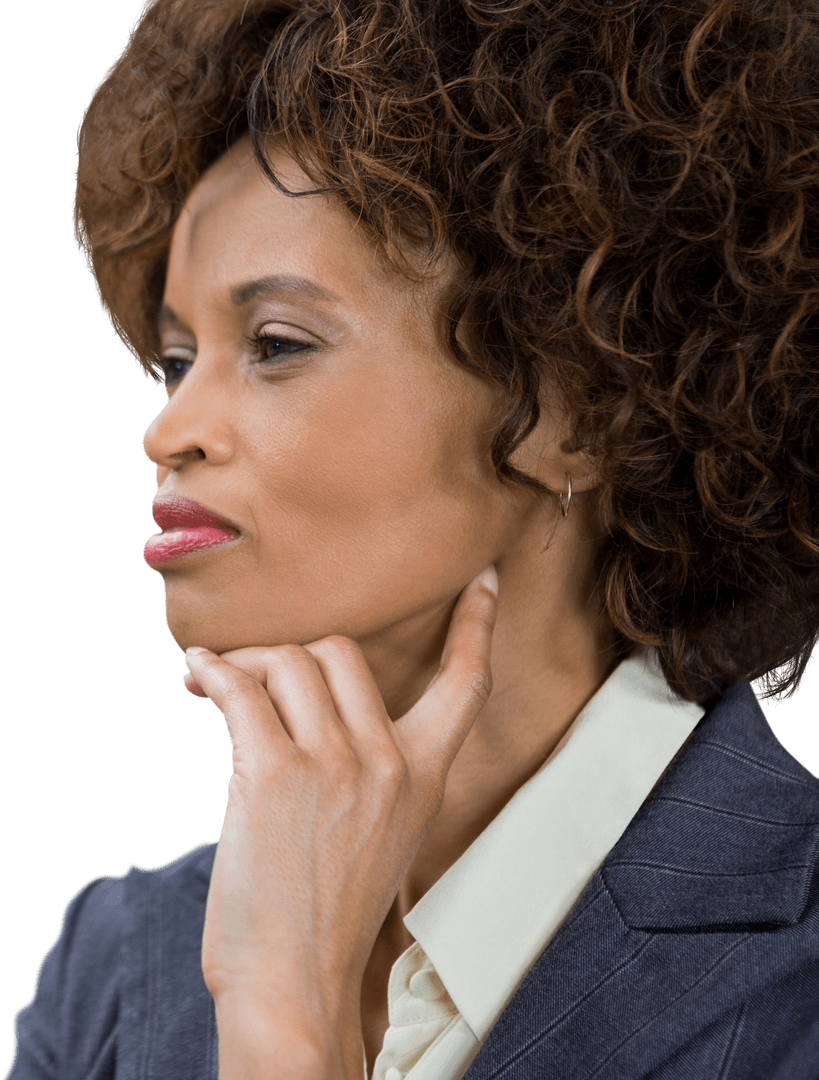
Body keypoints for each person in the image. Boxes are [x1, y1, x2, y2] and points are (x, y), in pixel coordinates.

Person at [7, 0, 819, 1076]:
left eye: (276, 343)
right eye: (174, 358)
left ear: (577, 408)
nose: (168, 429)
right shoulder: (117, 969)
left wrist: (285, 1024)